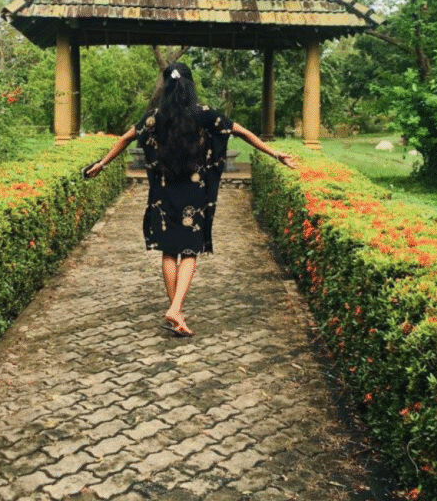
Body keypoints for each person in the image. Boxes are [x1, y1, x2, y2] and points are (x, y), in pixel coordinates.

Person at [85, 62, 297, 337]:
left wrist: (102, 163)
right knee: (190, 250)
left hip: (164, 192)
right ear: (190, 86)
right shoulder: (204, 113)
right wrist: (275, 153)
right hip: (194, 193)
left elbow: (126, 138)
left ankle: (177, 311)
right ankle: (175, 309)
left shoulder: (155, 116)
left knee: (169, 250)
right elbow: (241, 131)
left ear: (166, 87)